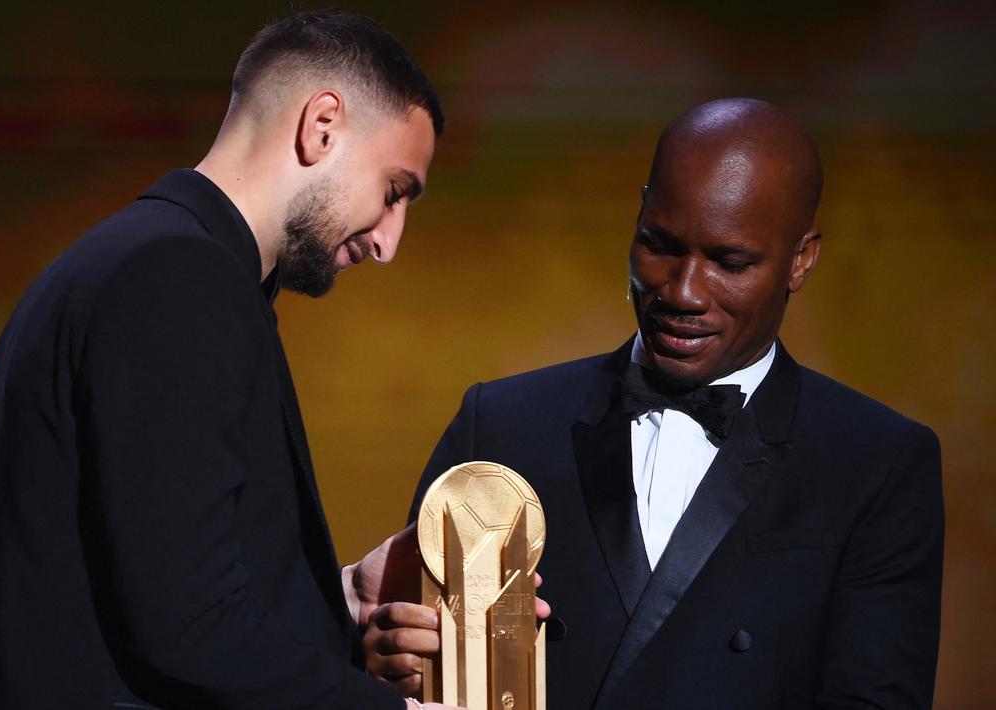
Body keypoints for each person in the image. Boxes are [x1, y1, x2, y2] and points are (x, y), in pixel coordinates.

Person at [0, 10, 462, 710]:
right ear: (322, 125)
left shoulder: (136, 261)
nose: (390, 241)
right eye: (394, 191)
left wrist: (339, 598)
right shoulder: (176, 278)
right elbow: (187, 626)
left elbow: (129, 573)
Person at [365, 98, 944, 709]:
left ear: (801, 259)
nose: (684, 291)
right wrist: (379, 665)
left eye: (729, 262)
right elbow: (404, 655)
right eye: (661, 245)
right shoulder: (500, 424)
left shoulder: (878, 461)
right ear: (639, 217)